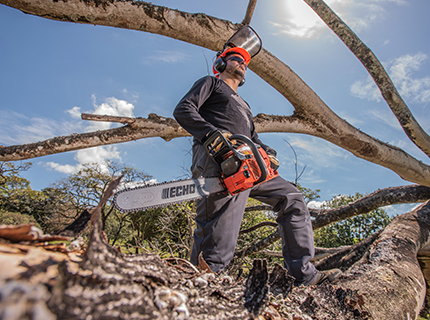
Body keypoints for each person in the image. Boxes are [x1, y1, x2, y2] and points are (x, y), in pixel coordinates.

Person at [173, 46, 338, 286]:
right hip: (218, 158)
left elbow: (253, 138)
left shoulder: (244, 105)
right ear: (221, 63)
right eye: (236, 59)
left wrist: (268, 154)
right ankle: (206, 281)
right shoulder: (211, 84)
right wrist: (213, 136)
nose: (242, 63)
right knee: (219, 226)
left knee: (292, 198)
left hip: (249, 162)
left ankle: (303, 275)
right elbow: (183, 109)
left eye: (245, 62)